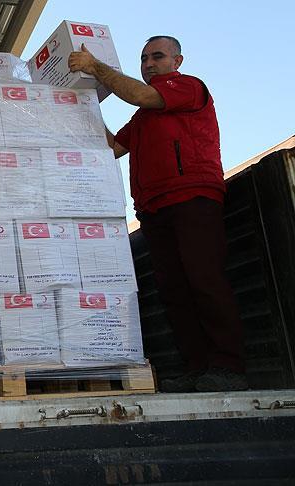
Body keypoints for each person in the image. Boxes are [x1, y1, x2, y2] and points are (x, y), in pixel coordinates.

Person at [68, 36, 247, 392]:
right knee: (174, 290)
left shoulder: (187, 88)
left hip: (191, 196)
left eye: (157, 56)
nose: (149, 63)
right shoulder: (144, 117)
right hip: (153, 207)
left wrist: (96, 69)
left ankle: (229, 366)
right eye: (144, 58)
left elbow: (140, 94)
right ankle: (198, 368)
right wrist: (78, 103)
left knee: (204, 280)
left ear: (177, 61)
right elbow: (113, 146)